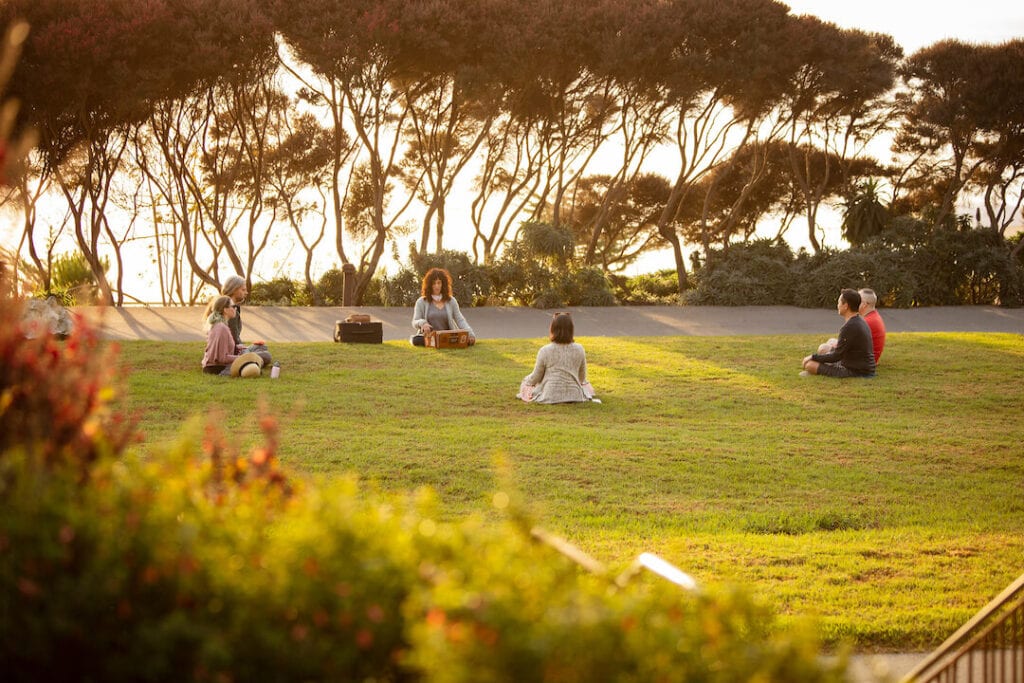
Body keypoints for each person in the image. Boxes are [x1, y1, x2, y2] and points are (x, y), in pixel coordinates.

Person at [517, 312, 598, 404]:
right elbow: (582, 378)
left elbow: (536, 377)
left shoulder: (545, 350)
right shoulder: (579, 349)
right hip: (575, 394)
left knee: (527, 383)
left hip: (550, 395)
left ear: (553, 329)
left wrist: (526, 381)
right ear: (571, 330)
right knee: (587, 385)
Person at [802, 289, 876, 378]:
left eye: (839, 303)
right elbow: (840, 352)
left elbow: (836, 356)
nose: (837, 305)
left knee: (809, 365)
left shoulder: (850, 327)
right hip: (857, 364)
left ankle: (814, 371)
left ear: (846, 306)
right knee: (823, 349)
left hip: (856, 371)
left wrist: (813, 357)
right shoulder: (859, 320)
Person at [411, 268, 476, 346]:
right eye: (434, 283)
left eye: (439, 283)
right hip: (430, 337)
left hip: (447, 337)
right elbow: (415, 322)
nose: (437, 286)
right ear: (429, 285)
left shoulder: (451, 301)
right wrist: (423, 323)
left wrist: (470, 334)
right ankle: (436, 342)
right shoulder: (421, 301)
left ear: (443, 284)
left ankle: (448, 342)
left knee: (461, 338)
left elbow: (460, 320)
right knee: (416, 340)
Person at [221, 275, 272, 365]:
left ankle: (251, 358)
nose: (246, 292)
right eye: (243, 290)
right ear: (234, 290)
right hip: (232, 352)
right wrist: (244, 349)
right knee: (266, 355)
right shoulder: (230, 311)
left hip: (236, 348)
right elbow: (234, 340)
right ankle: (249, 362)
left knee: (261, 347)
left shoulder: (230, 307)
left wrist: (247, 347)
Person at [201, 295, 241, 375]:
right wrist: (242, 358)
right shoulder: (222, 328)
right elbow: (222, 358)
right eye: (233, 307)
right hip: (218, 369)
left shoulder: (217, 325)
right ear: (225, 310)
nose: (235, 309)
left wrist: (238, 348)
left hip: (212, 366)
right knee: (255, 359)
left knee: (255, 352)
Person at [858, 288, 886, 364]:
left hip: (864, 362)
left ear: (864, 304)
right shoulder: (873, 316)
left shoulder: (868, 322)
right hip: (868, 359)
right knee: (832, 342)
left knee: (827, 347)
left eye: (857, 300)